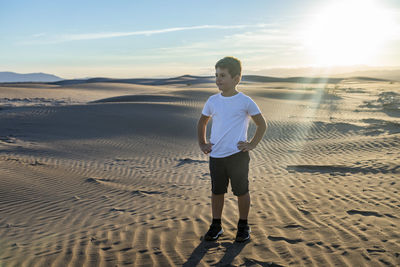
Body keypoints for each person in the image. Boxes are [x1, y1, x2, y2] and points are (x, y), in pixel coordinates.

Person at [197, 56, 267, 242]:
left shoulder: (245, 101)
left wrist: (252, 144)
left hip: (237, 156)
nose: (218, 79)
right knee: (217, 192)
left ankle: (243, 226)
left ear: (236, 78)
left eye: (223, 75)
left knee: (241, 192)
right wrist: (203, 143)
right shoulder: (212, 100)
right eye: (216, 75)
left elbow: (262, 124)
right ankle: (216, 225)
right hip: (216, 156)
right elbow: (202, 122)